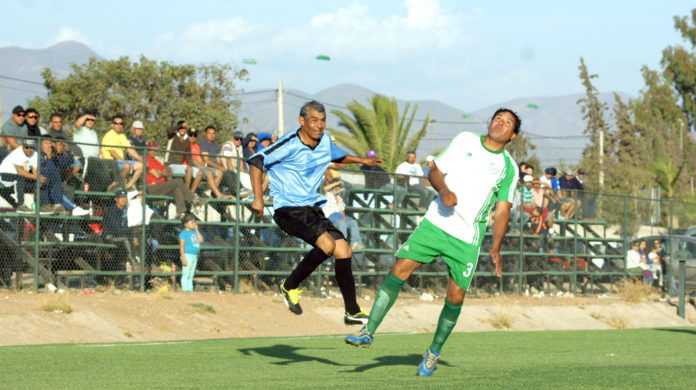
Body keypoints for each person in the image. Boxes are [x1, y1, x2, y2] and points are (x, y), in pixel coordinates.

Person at [345, 108, 521, 377]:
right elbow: (435, 172)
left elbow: (504, 209)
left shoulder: (509, 168)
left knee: (456, 296)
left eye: (507, 123)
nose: (500, 123)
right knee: (398, 270)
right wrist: (445, 190)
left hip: (467, 238)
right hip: (436, 222)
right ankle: (368, 331)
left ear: (513, 135)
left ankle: (433, 352)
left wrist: (495, 247)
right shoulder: (465, 140)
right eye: (498, 118)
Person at [248, 100, 382, 324]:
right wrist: (258, 198)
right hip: (288, 209)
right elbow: (256, 160)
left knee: (344, 250)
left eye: (323, 121)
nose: (319, 125)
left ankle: (352, 311)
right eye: (314, 120)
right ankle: (289, 285)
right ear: (302, 121)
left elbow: (336, 155)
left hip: (311, 209)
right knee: (328, 246)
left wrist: (362, 160)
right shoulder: (289, 142)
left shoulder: (325, 142)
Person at [145, 141, 207, 219]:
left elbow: (167, 172)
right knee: (178, 181)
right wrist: (161, 173)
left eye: (154, 150)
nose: (153, 152)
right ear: (147, 150)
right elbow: (157, 175)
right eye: (150, 150)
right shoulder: (146, 160)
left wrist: (160, 173)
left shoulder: (156, 161)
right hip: (153, 187)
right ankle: (194, 200)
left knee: (177, 189)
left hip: (162, 187)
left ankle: (180, 214)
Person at [100, 116, 143, 191]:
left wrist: (141, 160)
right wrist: (124, 162)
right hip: (110, 162)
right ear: (112, 125)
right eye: (117, 123)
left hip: (120, 161)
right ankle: (117, 185)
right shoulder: (109, 135)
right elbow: (113, 153)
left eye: (121, 123)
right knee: (126, 165)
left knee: (141, 165)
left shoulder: (122, 136)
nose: (119, 125)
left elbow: (130, 150)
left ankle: (128, 186)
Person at [0, 138, 41, 211]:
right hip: (4, 175)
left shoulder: (35, 154)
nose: (29, 149)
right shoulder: (17, 153)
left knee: (39, 182)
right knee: (19, 178)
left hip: (19, 176)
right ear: (22, 146)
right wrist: (37, 177)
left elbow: (34, 172)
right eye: (27, 147)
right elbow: (20, 172)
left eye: (31, 147)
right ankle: (20, 204)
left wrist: (39, 178)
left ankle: (38, 205)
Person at [322, 180, 365, 250]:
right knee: (342, 223)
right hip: (330, 218)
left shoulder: (339, 198)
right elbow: (324, 189)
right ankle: (342, 243)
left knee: (353, 222)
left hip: (339, 217)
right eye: (335, 187)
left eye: (338, 187)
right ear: (332, 186)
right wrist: (337, 183)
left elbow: (341, 211)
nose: (337, 188)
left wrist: (344, 217)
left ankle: (354, 243)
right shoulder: (327, 195)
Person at [102, 189, 138, 265]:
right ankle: (133, 263)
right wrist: (129, 234)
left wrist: (132, 236)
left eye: (125, 197)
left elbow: (125, 228)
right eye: (121, 198)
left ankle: (137, 262)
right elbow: (117, 230)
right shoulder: (111, 211)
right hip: (110, 236)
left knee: (136, 239)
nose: (124, 200)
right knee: (125, 239)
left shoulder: (124, 211)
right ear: (116, 199)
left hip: (119, 236)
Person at [167, 123, 203, 193]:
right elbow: (169, 131)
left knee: (200, 173)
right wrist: (180, 125)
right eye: (181, 128)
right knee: (189, 169)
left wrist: (194, 166)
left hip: (181, 167)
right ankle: (186, 193)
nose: (182, 129)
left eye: (184, 128)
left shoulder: (186, 141)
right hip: (172, 165)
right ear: (178, 128)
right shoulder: (173, 136)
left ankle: (191, 193)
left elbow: (189, 157)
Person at [179, 214, 203, 292]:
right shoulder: (183, 233)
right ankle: (185, 290)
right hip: (187, 255)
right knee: (186, 273)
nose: (194, 224)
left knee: (191, 274)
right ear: (186, 224)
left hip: (194, 256)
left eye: (194, 222)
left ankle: (190, 289)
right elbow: (181, 247)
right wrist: (183, 258)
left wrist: (196, 230)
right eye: (191, 222)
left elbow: (201, 240)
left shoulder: (194, 232)